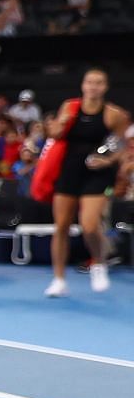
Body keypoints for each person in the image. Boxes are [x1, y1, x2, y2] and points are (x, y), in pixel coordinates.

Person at [44, 68, 130, 296]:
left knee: (90, 225)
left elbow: (121, 147)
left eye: (99, 83)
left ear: (105, 87)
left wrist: (107, 161)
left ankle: (99, 263)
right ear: (83, 85)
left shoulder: (115, 115)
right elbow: (55, 136)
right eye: (90, 82)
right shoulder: (69, 107)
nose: (93, 86)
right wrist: (57, 126)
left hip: (98, 174)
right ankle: (59, 279)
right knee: (61, 226)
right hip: (69, 171)